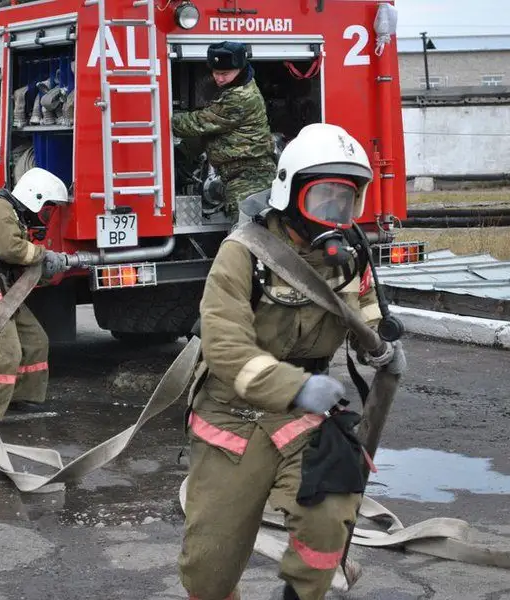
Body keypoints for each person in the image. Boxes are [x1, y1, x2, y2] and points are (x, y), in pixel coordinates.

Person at [178, 123, 406, 600]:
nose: (335, 215)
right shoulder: (243, 254)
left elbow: (361, 305)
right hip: (232, 414)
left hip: (307, 415)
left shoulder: (350, 255)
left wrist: (378, 340)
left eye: (346, 201)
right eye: (324, 199)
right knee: (208, 570)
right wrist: (293, 387)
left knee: (329, 516)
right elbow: (225, 348)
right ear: (290, 192)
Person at [0, 167, 69, 422]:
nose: (47, 213)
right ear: (35, 196)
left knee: (35, 341)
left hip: (2, 288)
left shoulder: (13, 214)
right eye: (48, 206)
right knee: (4, 353)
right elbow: (9, 249)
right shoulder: (0, 209)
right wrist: (43, 255)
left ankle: (22, 397)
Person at [171, 41, 277, 220]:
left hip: (249, 178)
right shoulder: (237, 86)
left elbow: (197, 123)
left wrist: (164, 117)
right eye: (215, 72)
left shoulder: (240, 97)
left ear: (240, 69)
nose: (219, 78)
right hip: (239, 175)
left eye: (225, 73)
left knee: (247, 236)